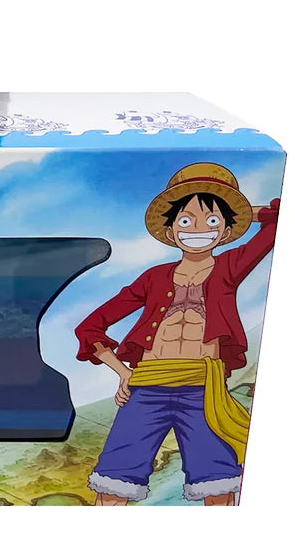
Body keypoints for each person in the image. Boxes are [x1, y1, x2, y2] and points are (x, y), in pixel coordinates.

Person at [75, 162, 280, 505]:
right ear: (171, 231)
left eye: (211, 220)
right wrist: (123, 372)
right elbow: (90, 326)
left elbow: (281, 219)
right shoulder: (152, 278)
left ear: (226, 231)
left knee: (218, 484)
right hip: (146, 387)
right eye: (186, 220)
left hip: (203, 389)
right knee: (113, 482)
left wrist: (247, 211)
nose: (198, 228)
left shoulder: (230, 267)